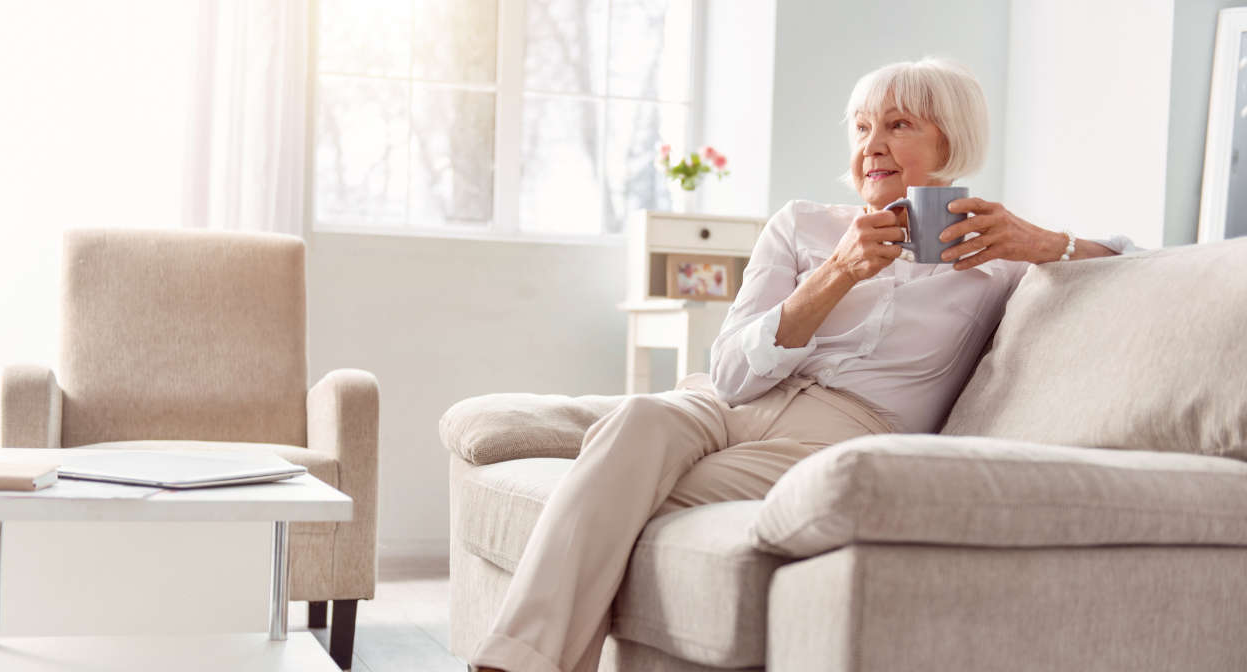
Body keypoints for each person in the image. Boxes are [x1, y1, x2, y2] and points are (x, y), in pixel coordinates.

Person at [470, 56, 1141, 672]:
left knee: (617, 492)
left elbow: (1134, 268)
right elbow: (732, 372)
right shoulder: (802, 226)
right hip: (728, 404)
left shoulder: (995, 260)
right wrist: (838, 272)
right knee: (637, 422)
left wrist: (1043, 242)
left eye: (897, 124)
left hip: (837, 433)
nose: (870, 145)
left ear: (950, 141)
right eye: (860, 127)